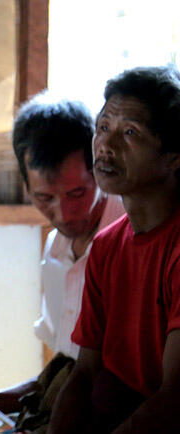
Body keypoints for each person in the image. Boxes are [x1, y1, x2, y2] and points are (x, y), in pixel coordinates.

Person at [49, 65, 180, 433]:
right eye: (103, 127)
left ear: (174, 156)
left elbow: (174, 398)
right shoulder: (106, 246)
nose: (106, 145)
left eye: (130, 133)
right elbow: (85, 371)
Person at [0, 96, 124, 419]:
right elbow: (64, 373)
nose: (64, 214)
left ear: (99, 169)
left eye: (77, 193)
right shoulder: (55, 253)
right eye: (44, 197)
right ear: (26, 187)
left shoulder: (133, 241)